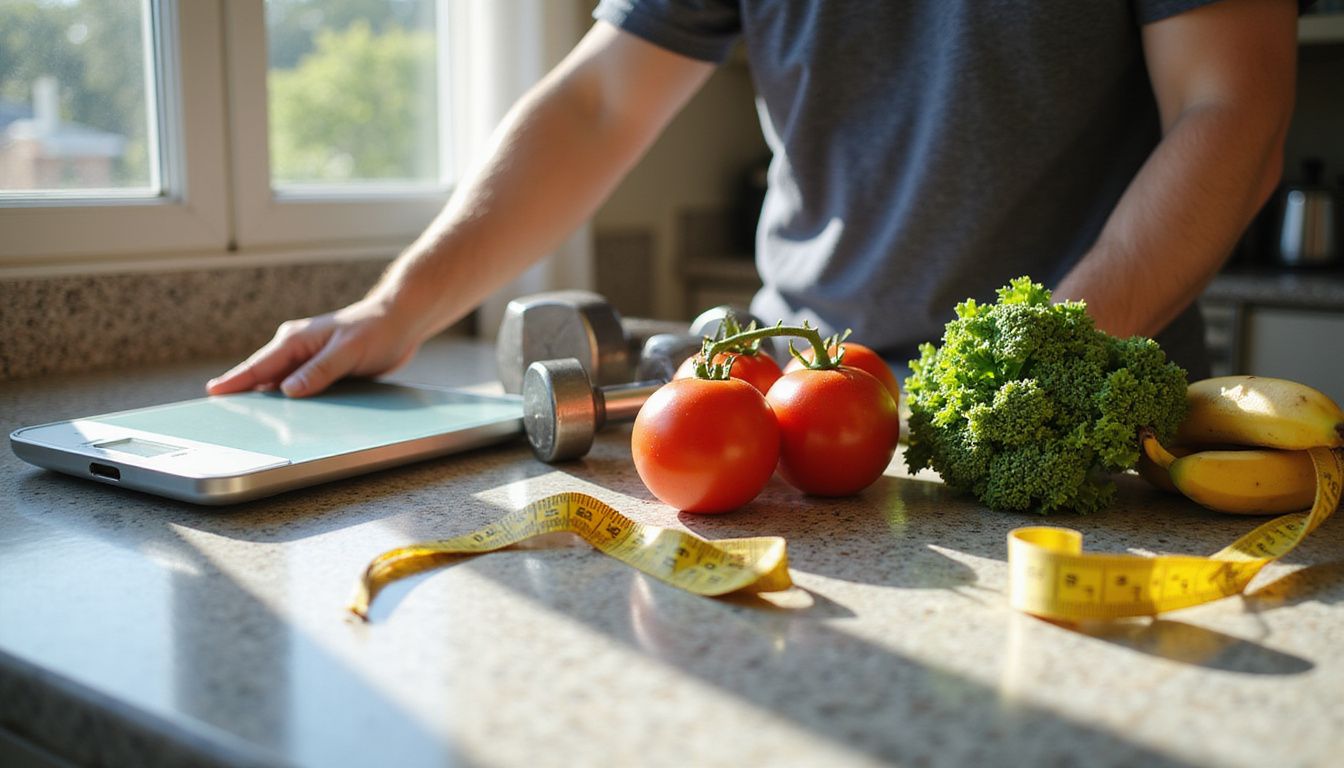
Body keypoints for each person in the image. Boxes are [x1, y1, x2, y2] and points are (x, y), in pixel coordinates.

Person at [207, 0, 1298, 398]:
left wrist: (1019, 381)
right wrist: (395, 309)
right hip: (807, 409)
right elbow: (597, 103)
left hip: (1071, 407)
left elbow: (1231, 112)